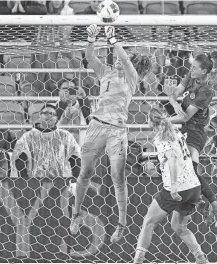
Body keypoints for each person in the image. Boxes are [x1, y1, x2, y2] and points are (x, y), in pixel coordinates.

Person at [70, 25, 153, 243]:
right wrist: (91, 39)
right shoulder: (105, 73)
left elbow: (125, 61)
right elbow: (89, 56)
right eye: (114, 57)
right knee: (85, 172)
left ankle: (121, 224)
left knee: (118, 177)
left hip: (117, 131)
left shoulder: (131, 78)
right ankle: (76, 214)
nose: (116, 60)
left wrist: (114, 41)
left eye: (119, 57)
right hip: (96, 126)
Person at [168, 50, 217, 227]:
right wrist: (173, 103)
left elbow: (186, 117)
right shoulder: (191, 75)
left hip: (195, 133)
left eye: (194, 67)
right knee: (186, 172)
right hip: (184, 131)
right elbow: (173, 95)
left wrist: (163, 120)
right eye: (192, 66)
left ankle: (213, 206)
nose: (191, 69)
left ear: (204, 71)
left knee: (190, 171)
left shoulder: (206, 91)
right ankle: (206, 205)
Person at [133, 106, 208, 264]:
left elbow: (172, 158)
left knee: (149, 221)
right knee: (179, 226)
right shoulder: (176, 131)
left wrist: (173, 186)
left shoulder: (161, 137)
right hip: (193, 187)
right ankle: (201, 259)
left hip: (177, 188)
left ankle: (137, 261)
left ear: (150, 121)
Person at [12, 104, 81, 179]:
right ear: (40, 116)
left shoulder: (65, 136)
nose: (49, 116)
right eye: (46, 113)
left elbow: (76, 159)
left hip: (60, 182)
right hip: (35, 182)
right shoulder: (27, 136)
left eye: (52, 114)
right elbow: (19, 160)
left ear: (56, 119)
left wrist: (75, 180)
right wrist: (25, 181)